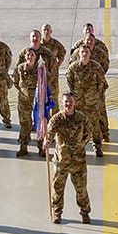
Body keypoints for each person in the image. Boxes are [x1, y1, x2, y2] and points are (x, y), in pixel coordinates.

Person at [44, 91, 92, 224]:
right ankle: (57, 212)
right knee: (58, 188)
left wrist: (81, 145)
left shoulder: (81, 118)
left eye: (70, 101)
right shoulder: (57, 119)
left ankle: (85, 212)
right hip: (61, 161)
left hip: (78, 162)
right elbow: (50, 132)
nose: (68, 104)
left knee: (81, 189)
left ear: (74, 102)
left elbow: (89, 133)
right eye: (66, 102)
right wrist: (47, 141)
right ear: (62, 103)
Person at [66, 46, 107, 157]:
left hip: (92, 102)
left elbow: (101, 82)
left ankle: (97, 146)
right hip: (78, 102)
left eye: (86, 52)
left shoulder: (96, 67)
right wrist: (75, 94)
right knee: (78, 126)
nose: (84, 54)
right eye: (82, 52)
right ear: (79, 54)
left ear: (90, 54)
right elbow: (70, 81)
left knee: (94, 125)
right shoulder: (73, 67)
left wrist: (94, 95)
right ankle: (78, 147)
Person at [11, 47, 41, 157]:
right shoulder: (20, 68)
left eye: (32, 55)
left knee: (39, 124)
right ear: (25, 56)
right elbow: (16, 82)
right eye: (28, 55)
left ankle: (41, 148)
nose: (30, 57)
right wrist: (24, 92)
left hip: (37, 101)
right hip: (24, 101)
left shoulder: (40, 69)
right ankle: (23, 147)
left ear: (36, 56)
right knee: (25, 124)